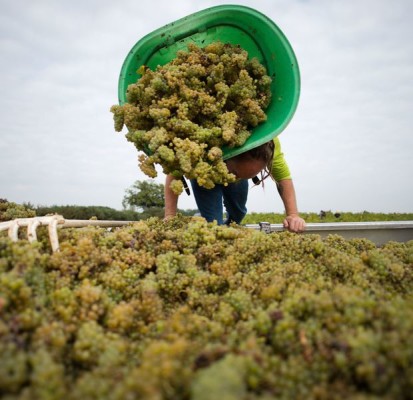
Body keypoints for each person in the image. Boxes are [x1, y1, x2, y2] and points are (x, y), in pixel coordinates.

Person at [164, 137, 306, 233]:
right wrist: (170, 215)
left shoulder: (270, 144)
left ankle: (215, 221)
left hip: (236, 169)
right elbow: (174, 172)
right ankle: (204, 218)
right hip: (204, 174)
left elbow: (283, 179)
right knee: (213, 224)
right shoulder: (198, 145)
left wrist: (293, 215)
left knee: (238, 212)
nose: (234, 179)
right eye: (235, 174)